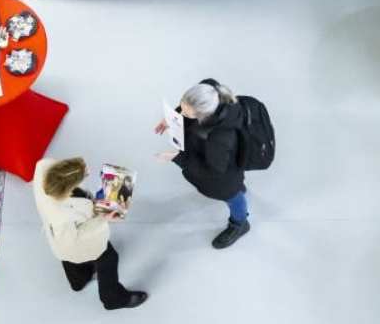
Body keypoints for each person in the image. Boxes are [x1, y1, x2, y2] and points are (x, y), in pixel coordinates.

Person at [32, 156, 148, 311]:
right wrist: (103, 219)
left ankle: (78, 281)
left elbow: (46, 164)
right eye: (82, 174)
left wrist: (73, 168)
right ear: (68, 188)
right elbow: (75, 239)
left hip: (60, 239)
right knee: (109, 258)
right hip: (71, 242)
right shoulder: (62, 216)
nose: (87, 170)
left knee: (70, 261)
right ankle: (113, 299)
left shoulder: (43, 170)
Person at [155, 79, 252, 249]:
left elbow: (212, 172)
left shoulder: (220, 140)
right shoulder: (210, 91)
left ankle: (240, 223)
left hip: (223, 172)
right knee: (237, 184)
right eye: (181, 108)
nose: (182, 113)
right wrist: (172, 118)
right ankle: (239, 186)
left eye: (187, 113)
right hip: (227, 158)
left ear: (204, 115)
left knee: (232, 195)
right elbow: (188, 106)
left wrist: (177, 157)